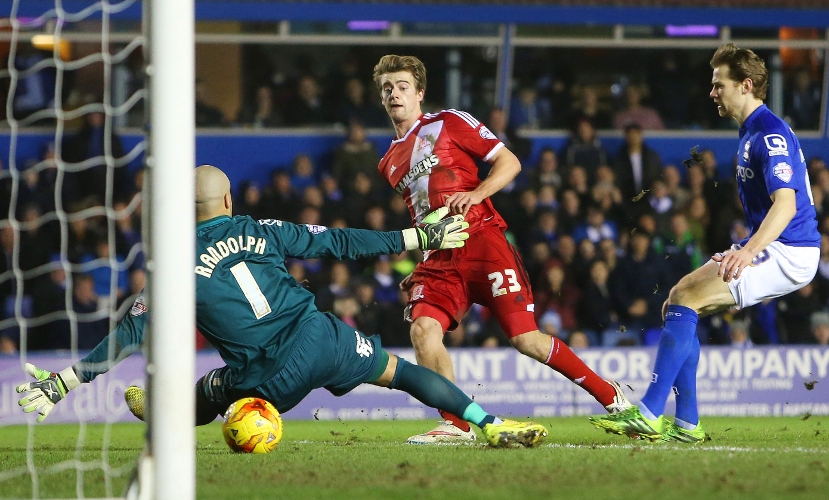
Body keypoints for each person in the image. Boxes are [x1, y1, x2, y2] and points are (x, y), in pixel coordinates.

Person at [16, 165, 548, 448]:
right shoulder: (261, 228)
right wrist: (415, 235)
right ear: (228, 202)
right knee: (401, 371)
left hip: (266, 378)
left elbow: (130, 335)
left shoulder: (172, 265)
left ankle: (162, 408)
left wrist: (65, 381)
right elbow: (339, 244)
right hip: (323, 338)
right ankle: (488, 421)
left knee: (203, 394)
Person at [372, 54, 630, 445]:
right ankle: (455, 425)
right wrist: (423, 261)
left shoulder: (450, 122)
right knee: (423, 330)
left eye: (403, 86)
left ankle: (611, 396)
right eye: (387, 88)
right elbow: (421, 212)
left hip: (483, 242)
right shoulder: (388, 162)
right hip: (440, 258)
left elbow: (509, 162)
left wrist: (476, 194)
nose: (395, 94)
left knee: (525, 339)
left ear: (420, 92)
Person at [590, 43, 820, 443]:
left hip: (789, 250)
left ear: (746, 85)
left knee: (684, 299)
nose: (712, 92)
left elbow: (786, 205)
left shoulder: (769, 134)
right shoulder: (751, 130)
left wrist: (747, 252)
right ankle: (688, 423)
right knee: (678, 301)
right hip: (774, 245)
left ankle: (649, 412)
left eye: (719, 85)